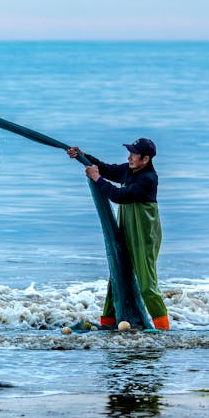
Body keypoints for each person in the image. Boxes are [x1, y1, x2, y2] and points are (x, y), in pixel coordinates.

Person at [67, 138, 169, 330]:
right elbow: (107, 169)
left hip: (144, 237)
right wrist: (83, 156)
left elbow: (118, 196)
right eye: (129, 152)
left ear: (145, 159)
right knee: (117, 279)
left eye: (134, 154)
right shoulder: (129, 170)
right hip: (127, 231)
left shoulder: (148, 179)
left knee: (147, 285)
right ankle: (108, 325)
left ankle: (164, 330)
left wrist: (97, 179)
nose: (129, 157)